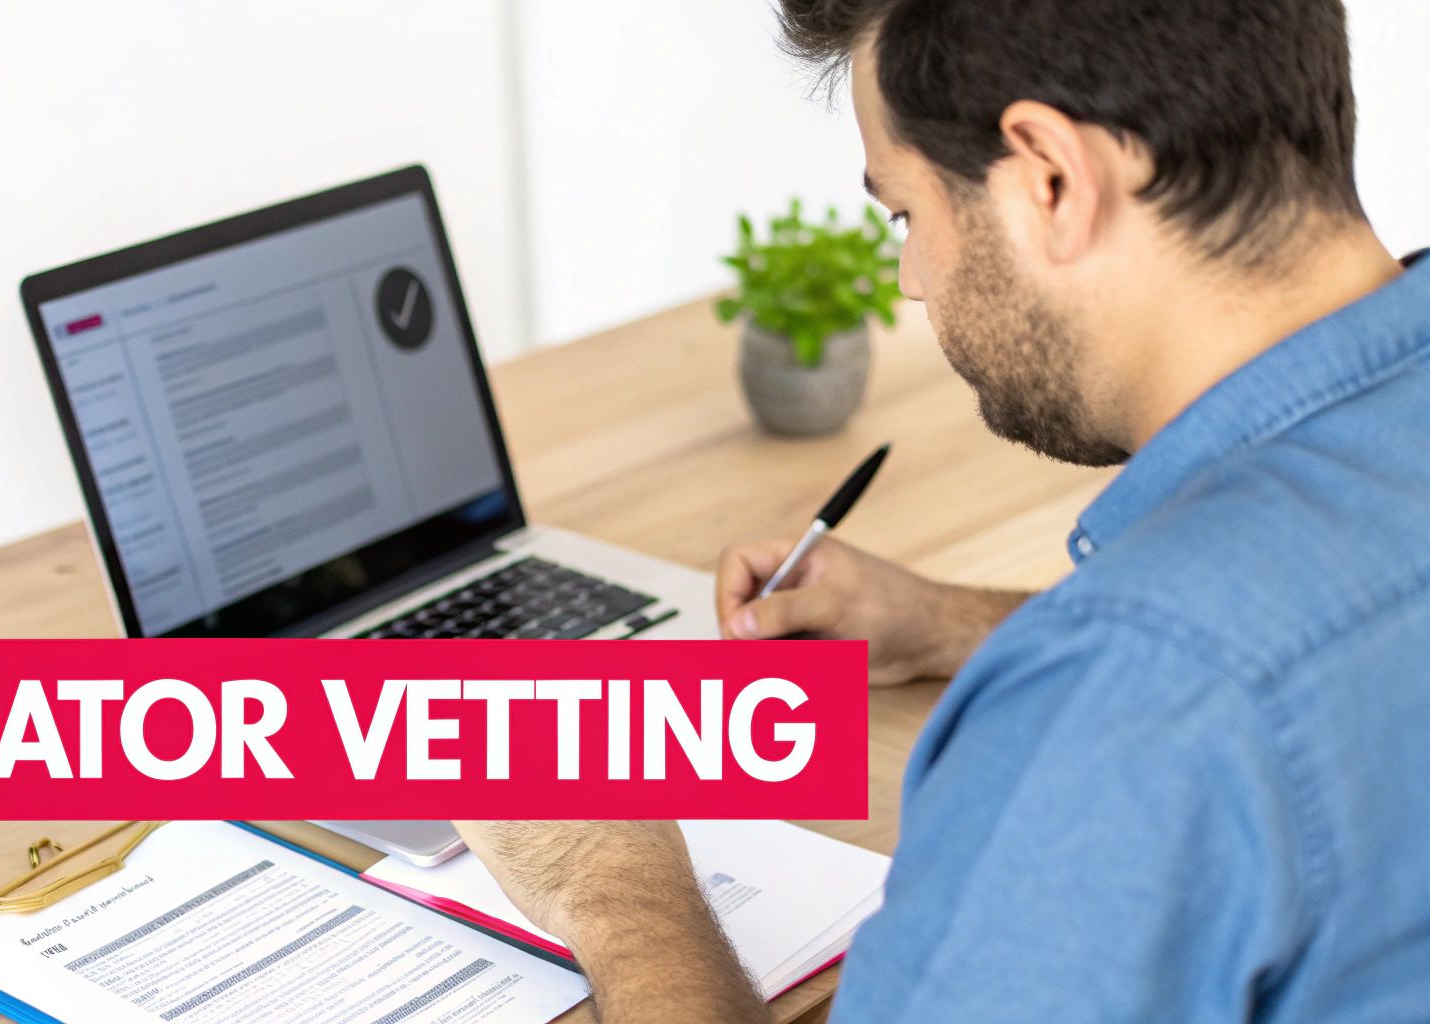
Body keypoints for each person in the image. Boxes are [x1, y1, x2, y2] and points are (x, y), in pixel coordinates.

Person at [454, 0, 1430, 1020]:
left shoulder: (1121, 703)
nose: (911, 281)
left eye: (904, 215)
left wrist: (616, 890)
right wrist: (954, 623)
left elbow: (1173, 688)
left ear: (1048, 179)